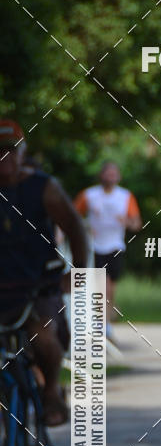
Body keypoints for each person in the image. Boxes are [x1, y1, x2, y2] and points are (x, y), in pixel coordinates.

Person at [0, 119, 88, 426]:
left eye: (11, 151)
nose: (5, 159)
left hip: (40, 286)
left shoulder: (43, 187)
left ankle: (51, 389)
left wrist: (77, 273)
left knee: (43, 337)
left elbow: (76, 229)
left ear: (23, 153)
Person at [74, 162, 141, 338]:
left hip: (115, 245)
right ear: (101, 175)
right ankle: (100, 322)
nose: (111, 177)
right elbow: (72, 216)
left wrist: (126, 222)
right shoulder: (89, 195)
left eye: (114, 174)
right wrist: (85, 226)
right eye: (108, 173)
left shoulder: (125, 196)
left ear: (118, 177)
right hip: (94, 246)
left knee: (110, 286)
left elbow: (136, 224)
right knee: (100, 284)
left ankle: (105, 323)